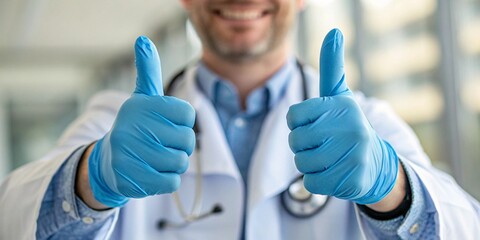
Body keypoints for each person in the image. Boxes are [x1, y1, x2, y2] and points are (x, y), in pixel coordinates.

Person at [1, 0, 479, 239]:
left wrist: (392, 189)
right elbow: (13, 215)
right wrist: (89, 180)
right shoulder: (111, 121)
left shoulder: (371, 125)